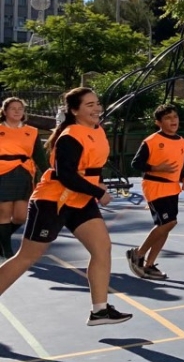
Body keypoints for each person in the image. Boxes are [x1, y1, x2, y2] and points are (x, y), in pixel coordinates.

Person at [0, 88, 132, 325]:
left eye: (97, 103)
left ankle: (99, 310)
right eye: (89, 105)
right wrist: (98, 192)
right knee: (26, 257)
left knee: (102, 248)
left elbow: (95, 165)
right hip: (53, 201)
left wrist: (96, 186)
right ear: (74, 110)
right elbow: (66, 175)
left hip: (80, 200)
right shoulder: (70, 136)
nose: (96, 108)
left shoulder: (98, 131)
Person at [126, 104, 184, 281]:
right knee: (168, 222)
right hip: (155, 186)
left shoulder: (182, 143)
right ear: (158, 122)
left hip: (172, 187)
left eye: (175, 117)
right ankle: (138, 254)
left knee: (167, 226)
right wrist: (156, 168)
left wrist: (183, 178)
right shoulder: (151, 141)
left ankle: (149, 263)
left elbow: (178, 165)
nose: (173, 120)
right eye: (168, 118)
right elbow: (136, 164)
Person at [0, 97, 47, 260]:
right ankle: (6, 250)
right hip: (2, 172)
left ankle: (1, 238)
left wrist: (50, 174)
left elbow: (40, 156)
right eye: (13, 108)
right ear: (5, 111)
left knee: (21, 215)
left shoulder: (31, 131)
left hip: (24, 173)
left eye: (20, 108)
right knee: (4, 213)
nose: (17, 111)